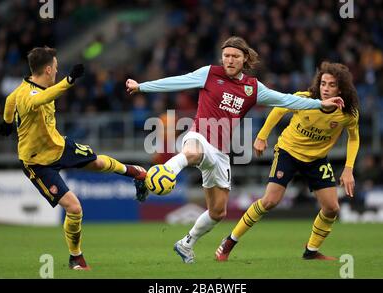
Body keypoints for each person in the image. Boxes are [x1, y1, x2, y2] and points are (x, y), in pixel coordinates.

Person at [126, 37, 344, 264]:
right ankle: (151, 175)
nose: (229, 60)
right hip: (199, 135)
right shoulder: (209, 73)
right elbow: (177, 81)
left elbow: (287, 100)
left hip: (220, 153)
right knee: (193, 153)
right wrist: (141, 86)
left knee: (217, 212)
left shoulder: (253, 88)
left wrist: (320, 104)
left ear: (245, 59)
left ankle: (186, 243)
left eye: (235, 56)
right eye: (226, 55)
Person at [0, 46, 147, 270]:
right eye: (56, 69)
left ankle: (136, 173)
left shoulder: (23, 90)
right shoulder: (29, 95)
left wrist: (7, 121)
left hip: (58, 145)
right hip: (37, 163)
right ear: (48, 70)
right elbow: (44, 97)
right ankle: (75, 257)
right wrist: (69, 80)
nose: (57, 72)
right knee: (75, 208)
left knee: (96, 161)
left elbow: (10, 101)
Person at [215, 61, 360, 261]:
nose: (325, 89)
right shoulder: (306, 100)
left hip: (316, 160)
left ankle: (311, 251)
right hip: (288, 152)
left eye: (331, 85)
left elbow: (354, 137)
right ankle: (229, 241)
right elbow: (279, 109)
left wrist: (348, 169)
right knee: (270, 201)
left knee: (332, 208)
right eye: (323, 83)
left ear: (341, 88)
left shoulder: (347, 113)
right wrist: (262, 136)